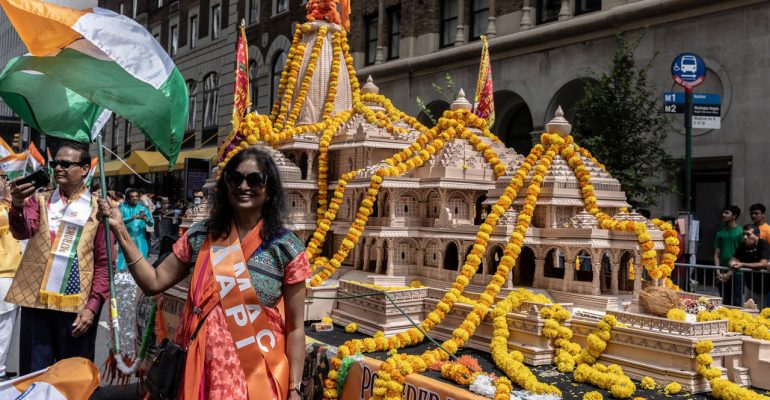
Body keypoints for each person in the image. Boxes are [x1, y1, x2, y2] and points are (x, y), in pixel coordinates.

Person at [98, 147, 310, 400]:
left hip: (257, 376)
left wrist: (294, 387)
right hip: (200, 369)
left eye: (255, 179)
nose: (244, 186)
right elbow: (153, 282)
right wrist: (120, 230)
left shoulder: (286, 247)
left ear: (270, 189)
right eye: (236, 178)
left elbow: (296, 328)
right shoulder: (201, 236)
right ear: (225, 184)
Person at [5, 141, 110, 374]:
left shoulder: (99, 208)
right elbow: (23, 231)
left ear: (84, 169)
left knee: (72, 376)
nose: (58, 168)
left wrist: (92, 307)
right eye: (55, 164)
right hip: (37, 303)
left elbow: (104, 263)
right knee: (35, 374)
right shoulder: (39, 200)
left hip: (76, 306)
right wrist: (18, 205)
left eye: (65, 164)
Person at [0, 171, 23, 381]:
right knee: (3, 329)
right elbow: (4, 221)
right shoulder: (3, 207)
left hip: (7, 274)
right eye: (2, 177)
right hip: (2, 275)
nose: (5, 181)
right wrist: (8, 199)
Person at [728, 224, 770, 307]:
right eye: (743, 234)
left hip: (764, 288)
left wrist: (742, 264)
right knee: (748, 310)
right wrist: (732, 264)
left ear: (757, 235)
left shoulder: (763, 244)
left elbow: (763, 264)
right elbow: (733, 259)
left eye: (748, 234)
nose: (745, 237)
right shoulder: (743, 245)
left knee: (762, 313)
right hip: (749, 285)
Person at [116, 188, 154, 271]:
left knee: (141, 262)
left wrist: (146, 219)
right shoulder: (122, 207)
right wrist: (131, 218)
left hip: (140, 239)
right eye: (132, 197)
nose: (135, 198)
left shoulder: (143, 209)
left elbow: (151, 223)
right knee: (123, 261)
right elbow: (119, 221)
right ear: (128, 198)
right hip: (126, 239)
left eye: (136, 196)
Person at [715, 205, 744, 306]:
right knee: (724, 300)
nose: (723, 215)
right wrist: (718, 272)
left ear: (734, 216)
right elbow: (716, 254)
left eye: (727, 213)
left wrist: (729, 273)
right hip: (722, 271)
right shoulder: (720, 233)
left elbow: (742, 254)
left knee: (737, 301)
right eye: (723, 212)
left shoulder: (741, 232)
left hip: (737, 272)